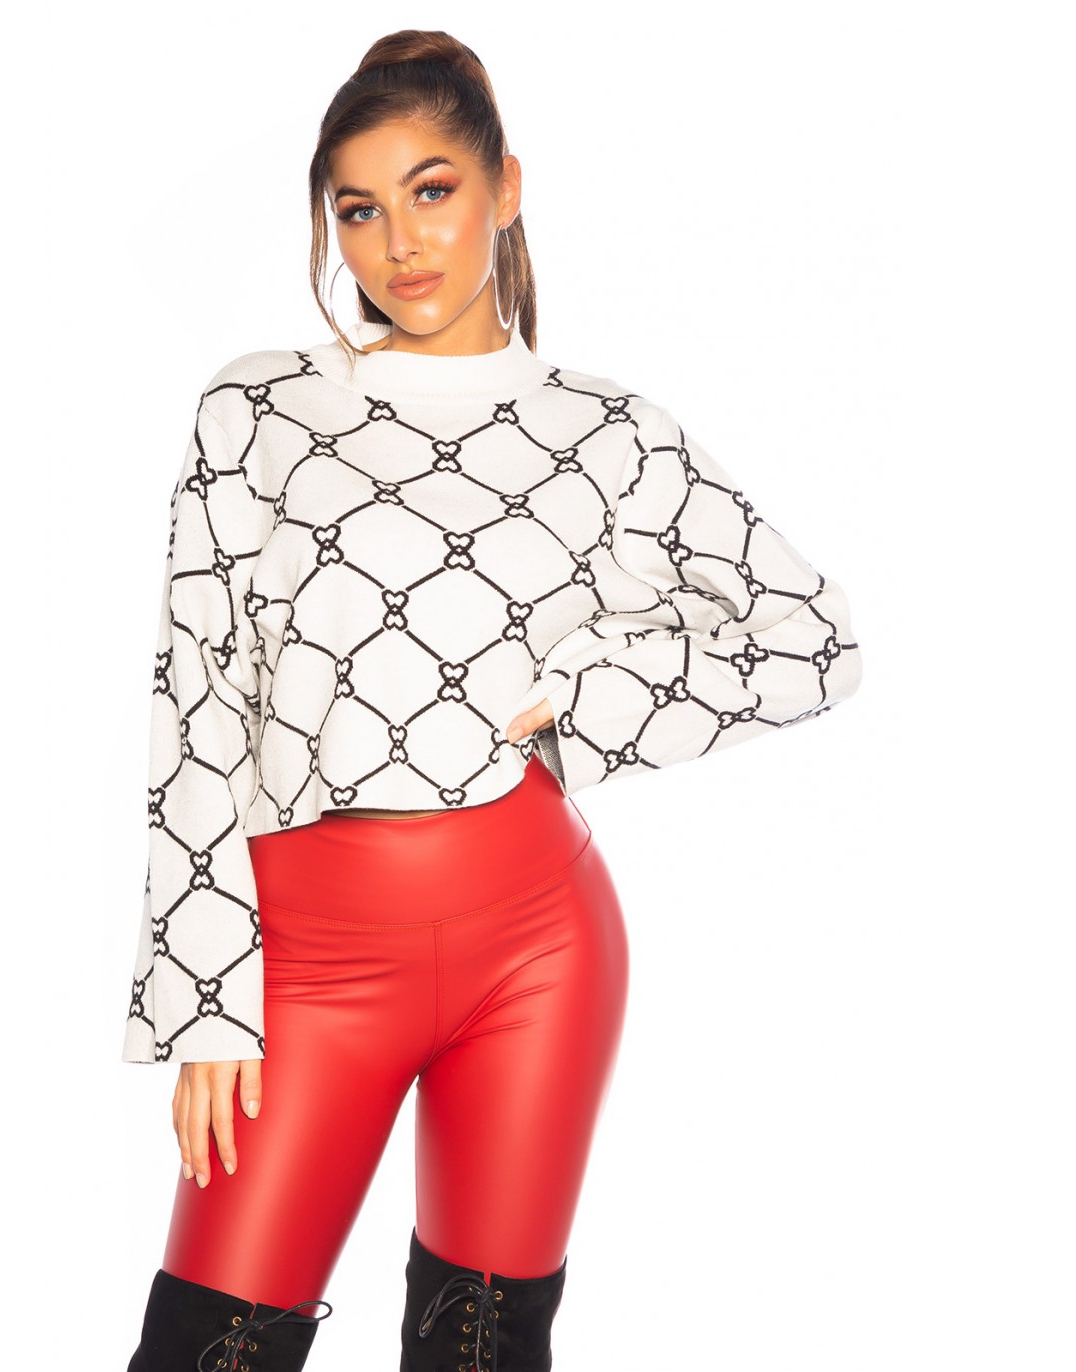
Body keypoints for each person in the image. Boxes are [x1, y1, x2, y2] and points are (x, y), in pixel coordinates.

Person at [121, 27, 864, 1372]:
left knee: (480, 1353)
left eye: (432, 190)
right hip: (304, 963)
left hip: (537, 948)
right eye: (359, 208)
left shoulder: (604, 434)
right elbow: (199, 710)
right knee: (209, 1349)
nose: (399, 241)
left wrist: (589, 696)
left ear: (504, 187)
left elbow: (812, 638)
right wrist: (203, 999)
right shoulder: (258, 412)